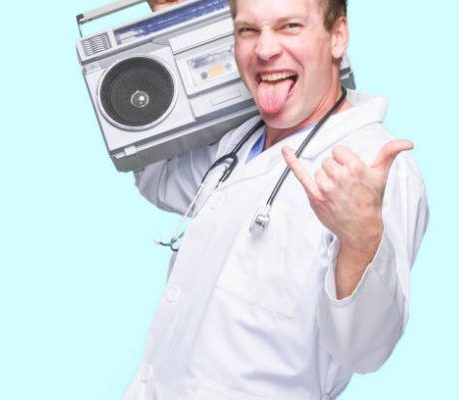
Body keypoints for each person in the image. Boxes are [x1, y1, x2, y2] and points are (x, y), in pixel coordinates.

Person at [122, 0, 429, 398]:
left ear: (338, 36)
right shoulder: (241, 140)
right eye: (247, 30)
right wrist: (171, 24)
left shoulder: (375, 166)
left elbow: (365, 350)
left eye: (289, 26)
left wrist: (362, 241)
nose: (264, 50)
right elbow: (157, 174)